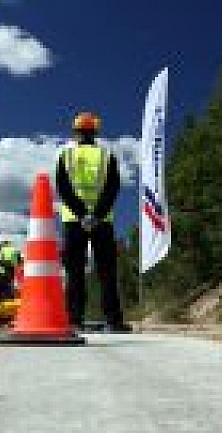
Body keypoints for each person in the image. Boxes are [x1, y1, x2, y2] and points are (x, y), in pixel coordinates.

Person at [56, 111, 131, 333]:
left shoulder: (66, 156)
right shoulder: (107, 156)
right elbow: (113, 188)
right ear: (95, 132)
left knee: (75, 272)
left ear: (76, 132)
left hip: (74, 221)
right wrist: (96, 215)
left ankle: (74, 320)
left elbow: (63, 189)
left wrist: (81, 214)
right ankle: (114, 321)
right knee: (107, 272)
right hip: (102, 221)